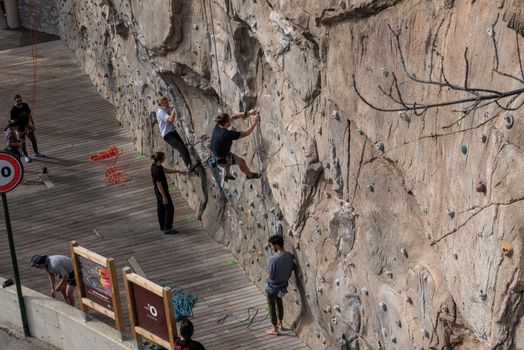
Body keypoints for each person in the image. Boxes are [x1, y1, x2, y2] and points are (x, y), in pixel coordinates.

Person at [209, 110, 261, 180]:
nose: (231, 120)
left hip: (216, 152)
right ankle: (249, 175)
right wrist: (255, 122)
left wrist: (248, 113)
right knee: (241, 162)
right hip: (222, 158)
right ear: (226, 124)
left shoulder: (218, 125)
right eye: (229, 121)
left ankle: (227, 174)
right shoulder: (226, 134)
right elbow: (246, 133)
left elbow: (233, 117)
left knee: (228, 159)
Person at [155, 96, 199, 174]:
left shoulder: (165, 108)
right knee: (181, 147)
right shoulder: (160, 112)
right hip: (167, 134)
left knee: (183, 147)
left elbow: (172, 106)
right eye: (164, 102)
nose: (167, 103)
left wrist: (175, 105)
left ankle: (190, 165)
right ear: (160, 104)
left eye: (167, 101)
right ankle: (190, 166)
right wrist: (175, 109)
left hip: (172, 131)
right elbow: (170, 120)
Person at [265, 235, 295, 336]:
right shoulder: (290, 256)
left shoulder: (273, 259)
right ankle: (281, 324)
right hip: (283, 286)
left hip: (273, 287)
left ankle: (275, 329)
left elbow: (270, 276)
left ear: (276, 245)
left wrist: (267, 280)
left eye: (272, 246)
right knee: (279, 303)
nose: (272, 248)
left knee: (271, 306)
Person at [151, 151, 187, 235]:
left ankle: (163, 225)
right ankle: (168, 228)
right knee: (169, 208)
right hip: (162, 191)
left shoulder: (155, 166)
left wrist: (178, 171)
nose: (165, 158)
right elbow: (159, 184)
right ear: (160, 160)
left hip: (157, 191)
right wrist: (164, 196)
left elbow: (166, 170)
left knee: (160, 208)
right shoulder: (157, 171)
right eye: (163, 158)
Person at [10, 94, 45, 163]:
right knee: (23, 142)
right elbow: (12, 122)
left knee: (33, 139)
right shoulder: (13, 110)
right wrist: (17, 132)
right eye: (18, 101)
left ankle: (36, 152)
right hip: (19, 127)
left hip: (27, 125)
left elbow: (30, 115)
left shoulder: (25, 105)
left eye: (20, 100)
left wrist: (33, 124)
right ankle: (26, 156)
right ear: (15, 101)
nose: (19, 102)